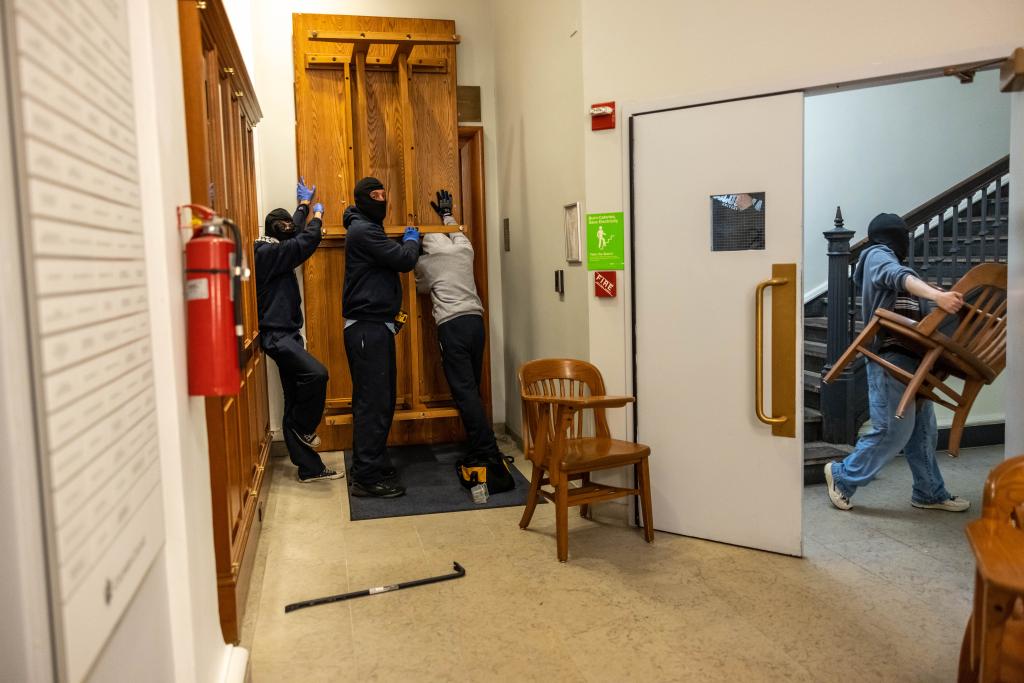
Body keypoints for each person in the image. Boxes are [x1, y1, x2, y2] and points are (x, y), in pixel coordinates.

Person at [824, 212, 968, 512]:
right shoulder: (876, 255)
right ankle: (842, 475)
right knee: (893, 429)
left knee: (923, 431)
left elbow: (921, 305)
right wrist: (936, 296)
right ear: (890, 235)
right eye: (901, 233)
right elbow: (895, 276)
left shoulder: (903, 267)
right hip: (891, 357)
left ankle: (929, 492)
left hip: (917, 361)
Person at [254, 177, 341, 483]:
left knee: (293, 398)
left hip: (289, 333)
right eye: (285, 224)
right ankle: (306, 428)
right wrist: (317, 217)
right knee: (317, 374)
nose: (290, 226)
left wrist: (303, 206)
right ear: (273, 228)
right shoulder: (266, 252)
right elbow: (303, 242)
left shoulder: (275, 246)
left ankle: (310, 468)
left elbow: (292, 232)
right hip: (276, 335)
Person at [342, 177, 421, 498]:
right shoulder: (364, 230)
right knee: (373, 403)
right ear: (362, 199)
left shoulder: (365, 228)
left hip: (374, 327)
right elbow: (404, 260)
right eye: (374, 195)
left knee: (379, 400)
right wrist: (412, 240)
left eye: (383, 194)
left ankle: (371, 462)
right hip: (367, 329)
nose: (381, 200)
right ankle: (366, 476)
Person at [415, 189, 503, 464]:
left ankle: (485, 449)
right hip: (476, 322)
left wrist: (413, 250)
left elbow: (420, 288)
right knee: (472, 389)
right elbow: (456, 232)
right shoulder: (464, 250)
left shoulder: (427, 263)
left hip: (452, 327)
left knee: (463, 392)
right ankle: (479, 443)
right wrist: (446, 214)